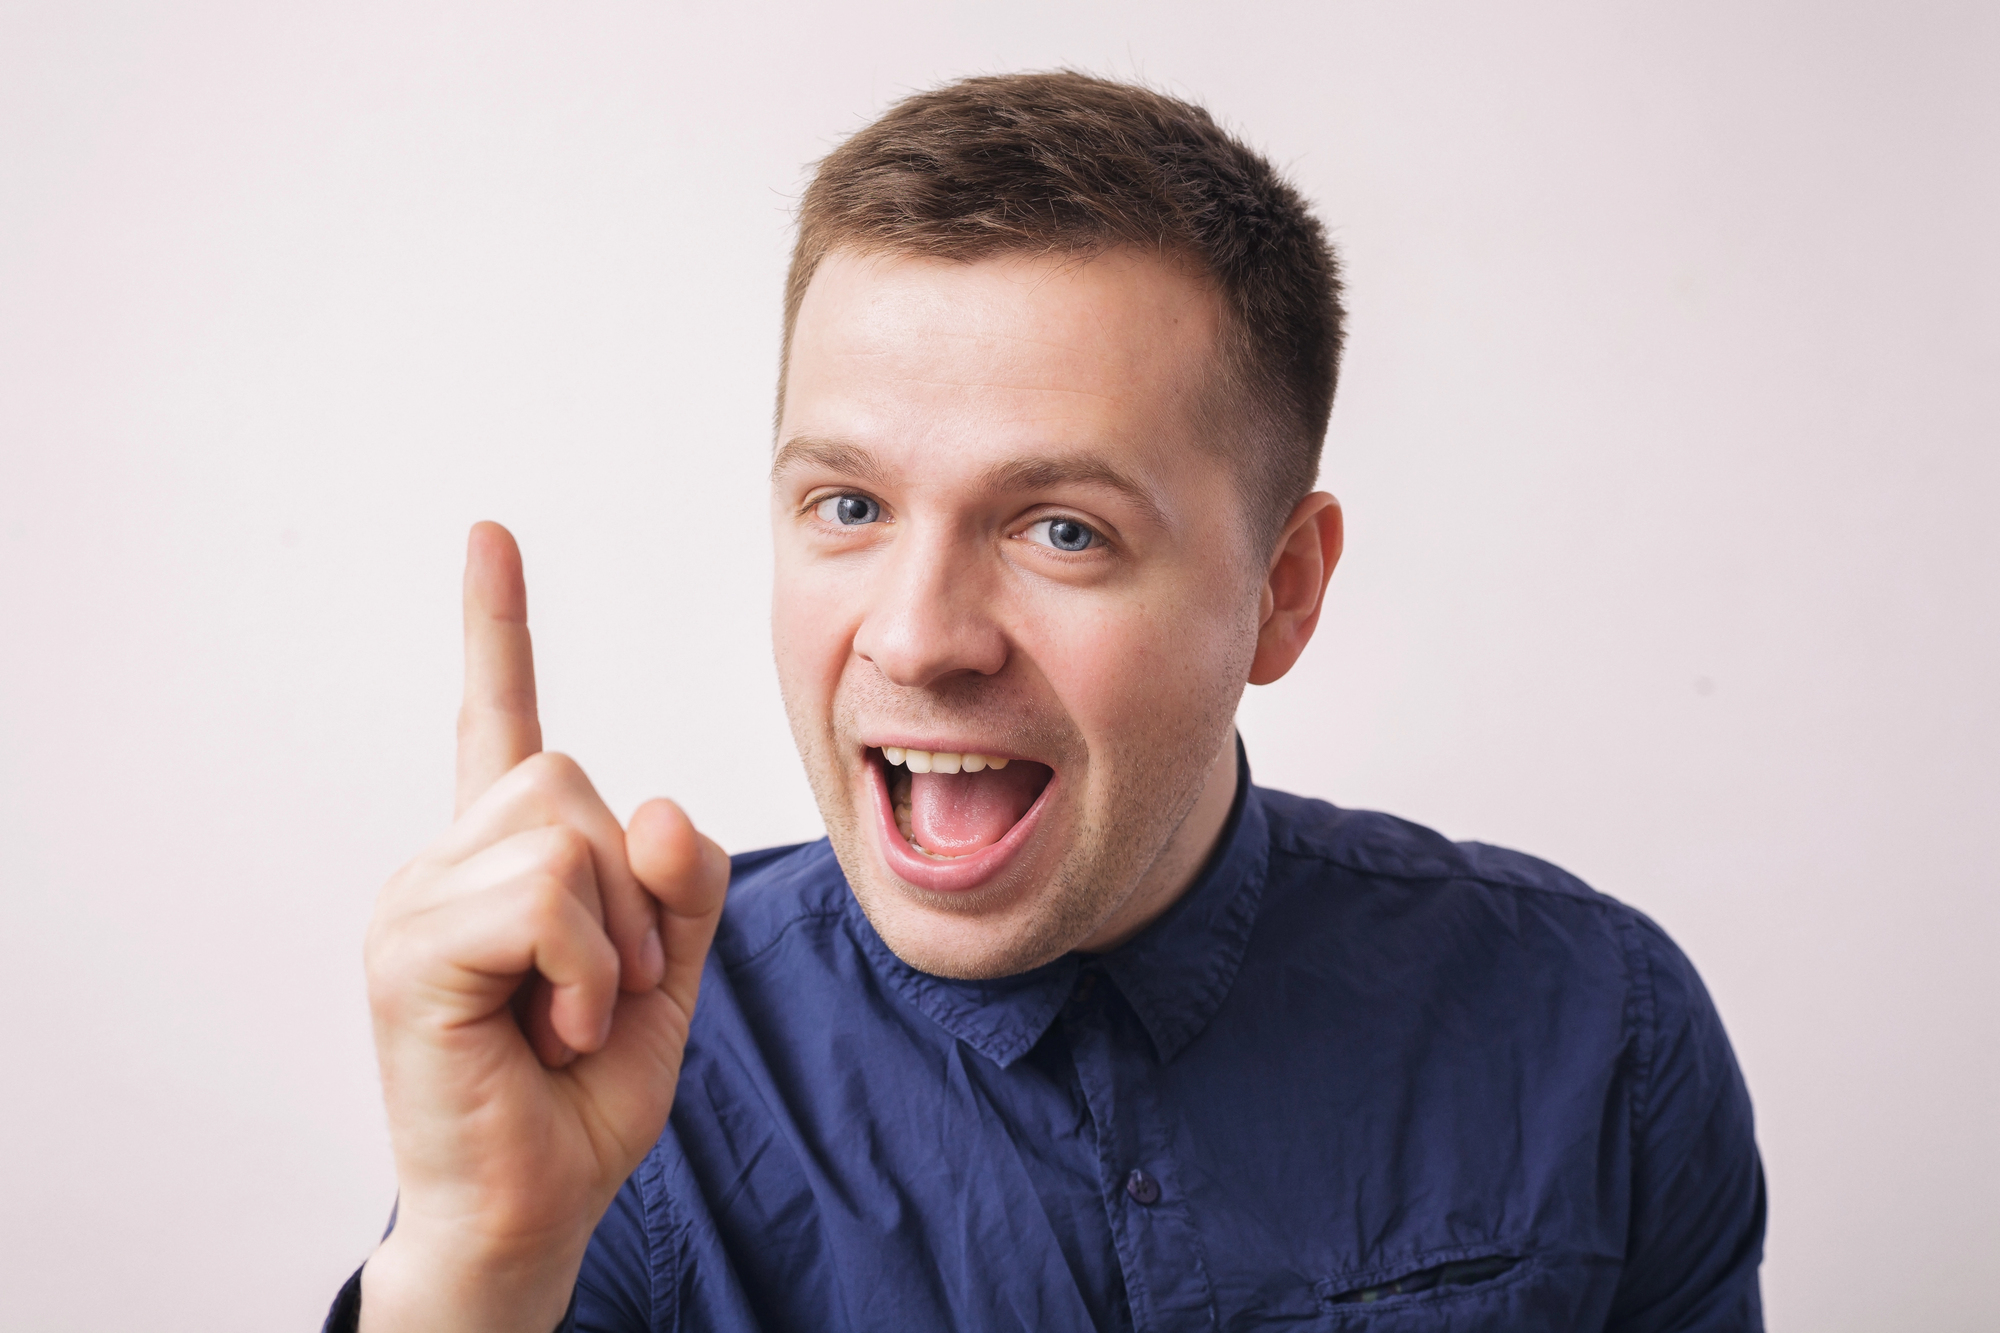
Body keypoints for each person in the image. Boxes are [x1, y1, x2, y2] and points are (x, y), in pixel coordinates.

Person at [330, 72, 1765, 1333]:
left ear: (1283, 589)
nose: (915, 634)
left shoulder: (1598, 1034)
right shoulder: (628, 1085)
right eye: (849, 504)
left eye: (1061, 528)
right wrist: (470, 1274)